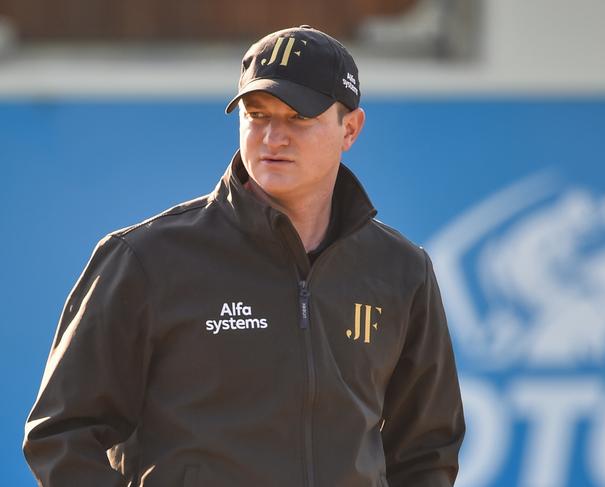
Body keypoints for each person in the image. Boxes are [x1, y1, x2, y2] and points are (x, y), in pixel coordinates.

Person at [24, 25, 465, 487]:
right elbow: (62, 434)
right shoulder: (144, 259)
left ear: (350, 128)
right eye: (257, 115)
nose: (273, 137)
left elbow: (427, 450)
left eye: (298, 118)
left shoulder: (400, 270)